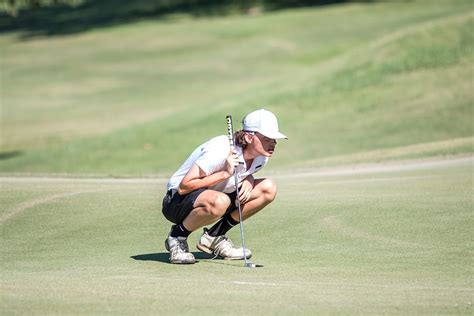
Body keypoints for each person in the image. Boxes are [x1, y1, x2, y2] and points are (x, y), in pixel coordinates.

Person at [161, 109, 287, 264]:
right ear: (248, 137)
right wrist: (224, 173)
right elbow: (184, 186)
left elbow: (241, 172)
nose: (274, 143)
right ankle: (177, 237)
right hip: (177, 202)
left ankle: (213, 237)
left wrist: (249, 178)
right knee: (220, 201)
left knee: (268, 188)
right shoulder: (220, 149)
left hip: (213, 197)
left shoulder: (261, 157)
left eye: (274, 139)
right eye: (268, 138)